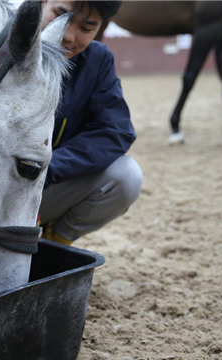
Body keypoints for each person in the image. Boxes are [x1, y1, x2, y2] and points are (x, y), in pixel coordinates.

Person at [39, 0, 143, 245]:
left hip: (42, 186)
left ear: (101, 29)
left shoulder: (97, 61)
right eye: (59, 16)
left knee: (126, 176)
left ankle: (55, 243)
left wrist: (46, 169)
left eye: (86, 28)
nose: (68, 36)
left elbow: (114, 131)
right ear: (42, 2)